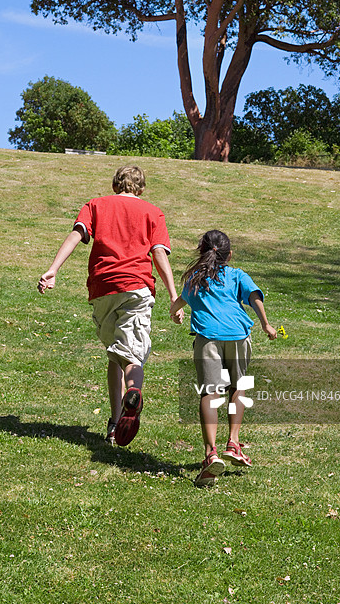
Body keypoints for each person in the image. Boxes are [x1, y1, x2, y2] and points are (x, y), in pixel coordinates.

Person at [38, 165, 183, 447]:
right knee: (132, 354)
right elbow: (158, 254)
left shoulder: (95, 205)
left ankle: (115, 423)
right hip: (137, 287)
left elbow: (77, 235)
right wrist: (174, 295)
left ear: (116, 185)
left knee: (115, 352)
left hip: (103, 288)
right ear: (141, 188)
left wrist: (53, 269)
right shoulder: (153, 213)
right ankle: (134, 392)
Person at [170, 230, 276, 487]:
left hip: (207, 339)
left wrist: (176, 313)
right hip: (238, 335)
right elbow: (254, 297)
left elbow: (178, 303)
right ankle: (233, 443)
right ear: (229, 254)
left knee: (210, 392)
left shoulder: (194, 278)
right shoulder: (237, 274)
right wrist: (265, 324)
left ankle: (211, 454)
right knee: (238, 387)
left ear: (202, 251)